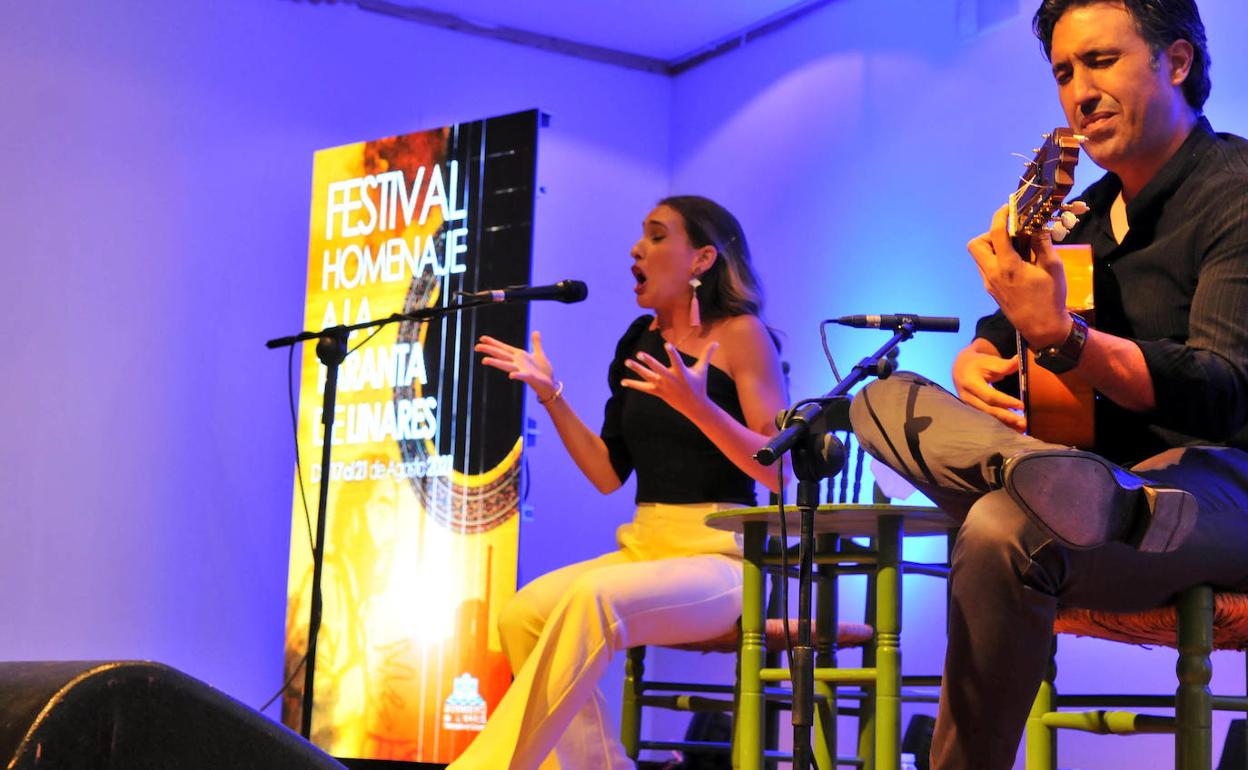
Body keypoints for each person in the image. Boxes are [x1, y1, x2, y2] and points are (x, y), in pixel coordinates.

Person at [847, 1, 1248, 768]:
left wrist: (1067, 340)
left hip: (1219, 489)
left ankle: (1052, 485)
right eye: (1063, 72)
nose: (1077, 92)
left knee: (1002, 527)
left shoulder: (1237, 191)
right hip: (1098, 489)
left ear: (1177, 62)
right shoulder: (1083, 215)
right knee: (879, 398)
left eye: (1100, 61)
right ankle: (1040, 474)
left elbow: (1223, 391)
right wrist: (976, 358)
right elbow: (1001, 334)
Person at [449, 195, 788, 769]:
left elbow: (778, 469)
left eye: (657, 236)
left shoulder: (741, 334)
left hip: (725, 560)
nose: (637, 248)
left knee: (591, 599)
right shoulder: (638, 341)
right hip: (645, 549)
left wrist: (699, 407)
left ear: (703, 258)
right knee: (522, 614)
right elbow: (608, 474)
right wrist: (551, 396)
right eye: (641, 236)